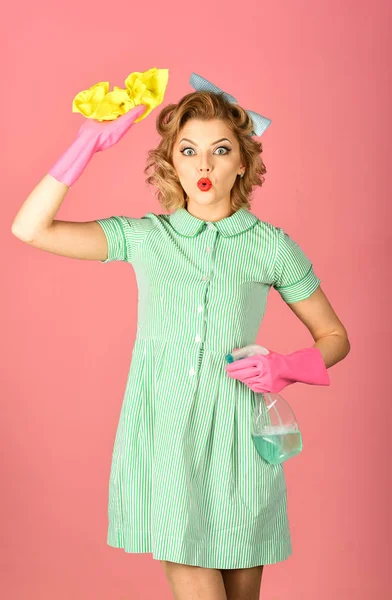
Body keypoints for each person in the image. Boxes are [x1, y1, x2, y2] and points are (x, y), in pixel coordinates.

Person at [11, 78, 350, 600]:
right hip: (164, 434)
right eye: (188, 151)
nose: (203, 166)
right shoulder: (146, 237)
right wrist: (87, 145)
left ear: (243, 163)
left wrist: (288, 365)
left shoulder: (272, 246)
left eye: (220, 150)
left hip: (241, 438)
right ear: (172, 162)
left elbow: (334, 336)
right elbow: (31, 228)